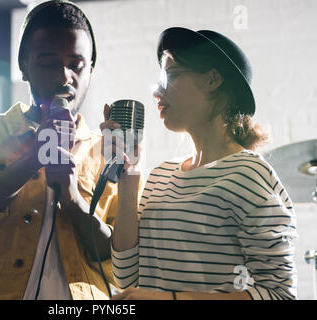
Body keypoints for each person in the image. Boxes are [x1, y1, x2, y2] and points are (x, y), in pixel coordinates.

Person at [0, 0, 119, 300]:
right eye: (48, 62)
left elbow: (123, 261)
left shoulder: (108, 151)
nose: (64, 76)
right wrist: (27, 164)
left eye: (77, 65)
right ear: (24, 67)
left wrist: (73, 202)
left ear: (91, 70)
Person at [107, 27, 298, 300]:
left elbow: (279, 294)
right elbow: (127, 277)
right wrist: (128, 180)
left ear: (213, 79)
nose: (157, 91)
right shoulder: (160, 176)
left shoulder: (250, 175)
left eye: (169, 75)